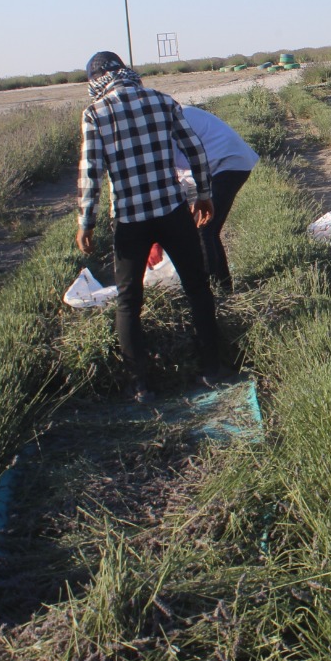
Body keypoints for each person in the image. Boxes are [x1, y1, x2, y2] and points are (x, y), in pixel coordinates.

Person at [76, 51, 221, 400]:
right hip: (171, 211)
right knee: (197, 288)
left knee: (129, 301)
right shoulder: (160, 101)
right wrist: (204, 193)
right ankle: (215, 366)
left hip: (130, 219)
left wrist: (86, 221)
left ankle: (140, 383)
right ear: (123, 71)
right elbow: (194, 148)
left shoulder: (95, 113)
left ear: (95, 80)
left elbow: (91, 172)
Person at [174, 105, 259, 292]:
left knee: (204, 228)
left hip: (228, 162)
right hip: (218, 166)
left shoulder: (164, 120)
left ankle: (213, 291)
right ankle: (223, 287)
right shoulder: (166, 114)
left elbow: (167, 174)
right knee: (207, 230)